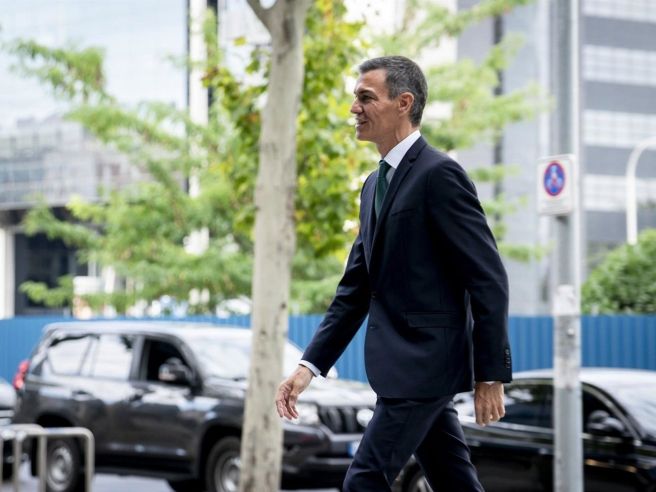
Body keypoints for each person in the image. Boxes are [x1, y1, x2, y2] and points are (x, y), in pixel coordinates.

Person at [275, 56, 512, 491]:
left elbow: (488, 279)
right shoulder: (372, 186)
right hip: (406, 372)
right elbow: (355, 290)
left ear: (404, 103)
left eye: (366, 98)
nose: (354, 108)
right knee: (455, 482)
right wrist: (308, 367)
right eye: (355, 98)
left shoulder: (440, 174)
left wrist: (489, 375)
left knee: (363, 482)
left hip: (425, 366)